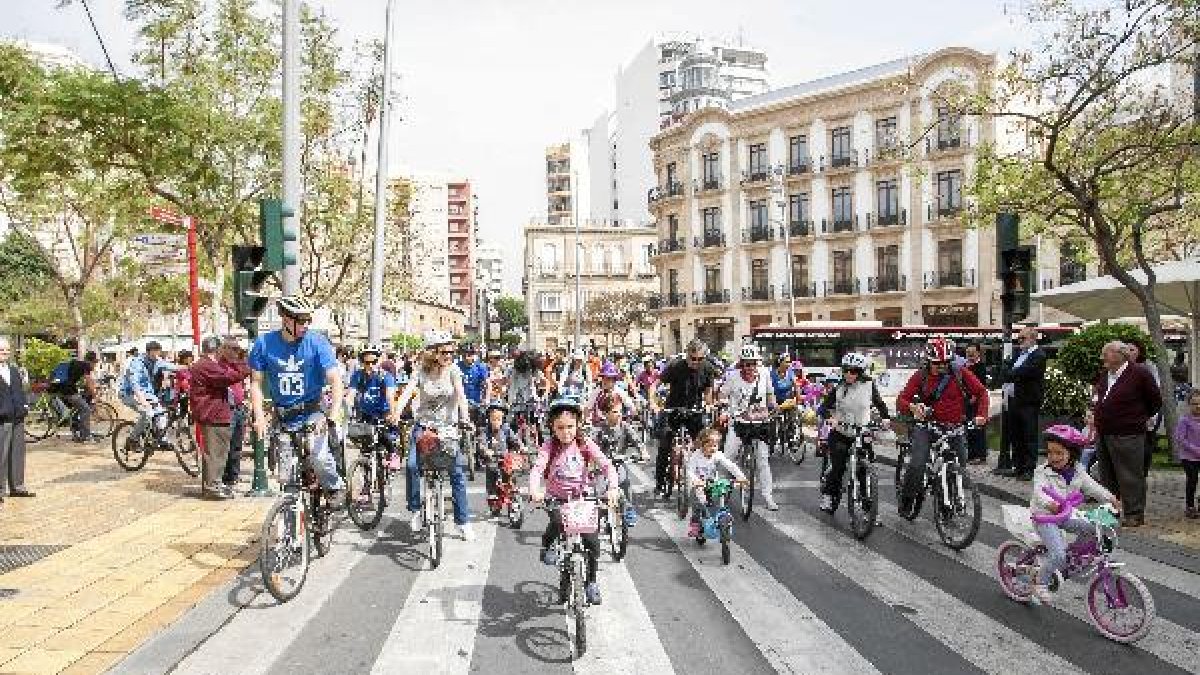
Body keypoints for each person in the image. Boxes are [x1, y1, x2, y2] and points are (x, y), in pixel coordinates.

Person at [247, 296, 347, 503]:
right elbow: (255, 383)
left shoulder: (317, 342)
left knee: (319, 458)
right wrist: (258, 416)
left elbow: (335, 380)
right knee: (286, 477)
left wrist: (332, 415)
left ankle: (334, 487)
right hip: (284, 417)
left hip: (313, 412)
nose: (306, 325)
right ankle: (293, 527)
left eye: (308, 320)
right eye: (301, 320)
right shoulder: (263, 344)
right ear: (285, 318)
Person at [529, 396, 620, 606]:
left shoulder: (584, 443)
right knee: (557, 522)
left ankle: (591, 582)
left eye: (570, 426)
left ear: (578, 424)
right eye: (560, 427)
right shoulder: (549, 447)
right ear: (552, 427)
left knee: (592, 542)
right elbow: (537, 469)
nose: (566, 432)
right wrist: (535, 490)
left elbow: (606, 465)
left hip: (582, 498)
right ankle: (548, 545)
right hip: (556, 498)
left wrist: (613, 488)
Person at [896, 337, 989, 517]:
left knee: (960, 465)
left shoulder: (960, 373)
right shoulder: (921, 376)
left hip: (954, 428)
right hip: (927, 427)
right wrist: (913, 407)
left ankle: (947, 501)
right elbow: (902, 399)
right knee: (917, 464)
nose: (942, 367)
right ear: (929, 361)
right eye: (937, 363)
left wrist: (981, 415)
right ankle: (907, 498)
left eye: (946, 362)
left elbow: (981, 392)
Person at [1029, 424, 1120, 605]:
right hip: (1045, 517)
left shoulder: (1078, 471)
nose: (1053, 457)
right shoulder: (1042, 472)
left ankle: (1069, 557)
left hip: (1065, 514)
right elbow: (1039, 492)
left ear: (1073, 455)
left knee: (1095, 528)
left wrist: (1111, 499)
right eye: (1050, 452)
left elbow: (1093, 488)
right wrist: (1050, 504)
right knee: (1058, 554)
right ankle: (1040, 583)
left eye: (1059, 453)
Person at [396, 329, 474, 540]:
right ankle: (415, 511)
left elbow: (461, 396)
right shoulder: (421, 371)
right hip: (424, 427)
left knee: (456, 472)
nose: (449, 355)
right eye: (444, 351)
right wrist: (395, 412)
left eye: (451, 351)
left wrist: (465, 418)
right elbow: (407, 392)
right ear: (433, 353)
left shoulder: (454, 371)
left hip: (448, 428)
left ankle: (463, 522)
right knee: (412, 466)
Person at [1088, 341, 1161, 528]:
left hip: (1129, 433)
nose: (1102, 357)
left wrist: (1138, 417)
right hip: (1105, 432)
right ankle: (1111, 512)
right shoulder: (1106, 375)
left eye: (1106, 353)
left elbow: (1155, 400)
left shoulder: (1139, 373)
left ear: (1119, 355)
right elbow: (1099, 398)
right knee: (1107, 476)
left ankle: (1134, 513)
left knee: (1130, 475)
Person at [817, 352, 891, 514]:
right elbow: (823, 408)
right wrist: (831, 418)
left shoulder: (869, 385)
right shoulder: (838, 386)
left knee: (864, 470)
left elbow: (880, 404)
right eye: (847, 370)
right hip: (841, 432)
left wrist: (885, 418)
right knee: (838, 467)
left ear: (861, 372)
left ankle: (867, 509)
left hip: (861, 432)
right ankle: (828, 495)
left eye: (854, 371)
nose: (849, 374)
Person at [719, 342, 779, 510]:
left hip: (760, 423)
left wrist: (773, 406)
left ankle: (768, 497)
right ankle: (722, 490)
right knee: (728, 458)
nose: (750, 367)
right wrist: (724, 409)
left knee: (762, 460)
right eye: (746, 363)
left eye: (753, 363)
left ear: (758, 363)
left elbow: (770, 394)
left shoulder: (765, 374)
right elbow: (722, 395)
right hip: (739, 423)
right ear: (741, 364)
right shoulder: (732, 377)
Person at [191, 337, 252, 499]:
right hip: (213, 413)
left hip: (213, 413)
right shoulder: (207, 366)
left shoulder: (204, 364)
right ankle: (212, 487)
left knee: (217, 452)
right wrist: (244, 363)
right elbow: (230, 377)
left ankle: (213, 485)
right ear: (218, 350)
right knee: (216, 453)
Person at [654, 339, 716, 496]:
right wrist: (653, 402)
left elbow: (708, 390)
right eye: (692, 358)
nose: (696, 362)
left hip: (694, 411)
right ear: (687, 355)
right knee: (665, 443)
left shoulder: (708, 368)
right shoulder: (675, 366)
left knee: (704, 444)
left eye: (699, 359)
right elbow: (656, 384)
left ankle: (703, 480)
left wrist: (709, 405)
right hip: (672, 410)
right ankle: (660, 482)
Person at [999, 327, 1047, 479]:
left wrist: (1012, 372)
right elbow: (1006, 369)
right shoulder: (1018, 354)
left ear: (1033, 339)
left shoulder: (1038, 355)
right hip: (1014, 400)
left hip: (1028, 401)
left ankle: (1029, 469)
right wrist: (1011, 372)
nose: (1019, 341)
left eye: (1022, 338)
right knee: (1015, 435)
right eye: (1018, 338)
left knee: (1029, 436)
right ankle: (1018, 466)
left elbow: (1023, 372)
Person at [346, 344, 402, 469]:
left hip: (383, 413)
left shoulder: (385, 376)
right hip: (365, 413)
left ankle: (393, 454)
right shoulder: (358, 375)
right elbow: (350, 395)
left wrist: (393, 413)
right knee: (365, 445)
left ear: (378, 361)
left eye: (374, 362)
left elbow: (390, 396)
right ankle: (367, 480)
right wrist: (343, 411)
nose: (370, 365)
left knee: (381, 432)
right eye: (367, 362)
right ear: (362, 362)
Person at [685, 427, 748, 538]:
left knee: (721, 495)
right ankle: (694, 525)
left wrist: (741, 477)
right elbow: (689, 471)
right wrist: (696, 480)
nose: (713, 448)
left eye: (715, 445)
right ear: (701, 445)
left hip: (712, 482)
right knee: (698, 505)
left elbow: (730, 465)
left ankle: (719, 522)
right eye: (710, 446)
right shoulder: (696, 456)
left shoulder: (717, 454)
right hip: (698, 484)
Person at [592, 398, 640, 523]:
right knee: (600, 488)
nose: (618, 414)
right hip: (602, 466)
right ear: (606, 413)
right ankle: (599, 513)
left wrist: (643, 452)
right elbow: (590, 444)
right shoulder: (599, 429)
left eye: (620, 411)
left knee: (624, 482)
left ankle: (629, 509)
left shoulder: (625, 427)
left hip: (618, 462)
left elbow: (637, 441)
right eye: (614, 412)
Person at [0, 337, 33, 503]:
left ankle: (17, 487)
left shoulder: (13, 370)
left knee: (18, 454)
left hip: (18, 416)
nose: (5, 353)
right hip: (2, 418)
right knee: (2, 454)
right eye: (1, 350)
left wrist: (25, 406)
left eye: (6, 350)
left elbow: (20, 391)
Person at [119, 341, 167, 448]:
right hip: (129, 394)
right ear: (149, 352)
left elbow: (171, 366)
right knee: (147, 413)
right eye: (156, 353)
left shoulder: (156, 361)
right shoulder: (137, 363)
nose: (158, 356)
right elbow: (134, 383)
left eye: (159, 353)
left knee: (162, 413)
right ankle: (133, 439)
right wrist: (143, 401)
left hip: (147, 394)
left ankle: (160, 439)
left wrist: (189, 367)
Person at [1126, 342, 1162, 477]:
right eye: (1126, 349)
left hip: (1146, 415)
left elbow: (1155, 393)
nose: (1128, 352)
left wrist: (1149, 416)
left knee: (1145, 447)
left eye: (1132, 349)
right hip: (1127, 419)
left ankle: (1142, 475)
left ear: (1139, 351)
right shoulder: (1118, 368)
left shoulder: (1148, 367)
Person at [47, 350, 98, 443]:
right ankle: (86, 437)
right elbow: (88, 381)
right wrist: (94, 394)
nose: (95, 366)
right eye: (95, 363)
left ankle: (75, 433)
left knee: (76, 410)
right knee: (85, 409)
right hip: (68, 391)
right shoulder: (86, 365)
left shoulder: (76, 363)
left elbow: (73, 377)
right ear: (92, 361)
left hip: (59, 389)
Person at [480, 402, 522, 513]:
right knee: (491, 471)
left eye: (499, 419)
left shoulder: (506, 428)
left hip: (505, 458)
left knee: (511, 472)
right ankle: (492, 493)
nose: (496, 422)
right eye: (493, 419)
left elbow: (515, 440)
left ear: (503, 419)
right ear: (489, 419)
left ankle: (512, 492)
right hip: (492, 459)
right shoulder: (486, 431)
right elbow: (482, 444)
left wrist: (521, 447)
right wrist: (486, 450)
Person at [224, 341, 250, 490]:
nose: (235, 353)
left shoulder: (239, 365)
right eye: (233, 350)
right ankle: (226, 476)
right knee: (227, 444)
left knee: (237, 444)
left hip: (240, 408)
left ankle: (233, 475)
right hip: (229, 409)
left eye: (237, 350)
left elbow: (246, 371)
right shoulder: (223, 366)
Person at [1173, 389, 1200, 519]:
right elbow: (1180, 439)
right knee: (1192, 479)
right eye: (1195, 403)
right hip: (1189, 457)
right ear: (1189, 405)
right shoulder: (1185, 420)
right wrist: (1195, 449)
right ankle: (1190, 506)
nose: (1198, 406)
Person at [964, 343, 990, 465]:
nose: (969, 355)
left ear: (978, 353)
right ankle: (971, 454)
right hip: (967, 402)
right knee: (969, 428)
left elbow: (981, 385)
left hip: (977, 403)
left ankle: (980, 455)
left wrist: (974, 397)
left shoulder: (980, 366)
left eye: (972, 353)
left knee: (978, 429)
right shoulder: (965, 366)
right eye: (968, 352)